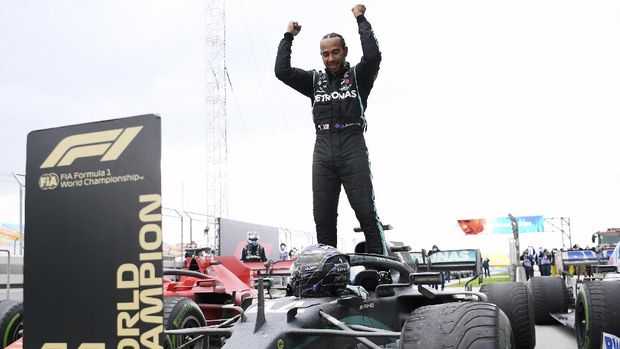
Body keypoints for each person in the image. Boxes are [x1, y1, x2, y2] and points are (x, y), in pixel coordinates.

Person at [274, 4, 387, 255]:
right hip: (323, 150)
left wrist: (361, 19)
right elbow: (281, 71)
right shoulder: (314, 81)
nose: (331, 58)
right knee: (323, 219)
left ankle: (382, 271)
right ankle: (328, 274)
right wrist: (288, 37)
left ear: (344, 52)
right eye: (325, 54)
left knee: (366, 213)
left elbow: (373, 55)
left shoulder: (359, 75)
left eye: (336, 52)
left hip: (352, 146)